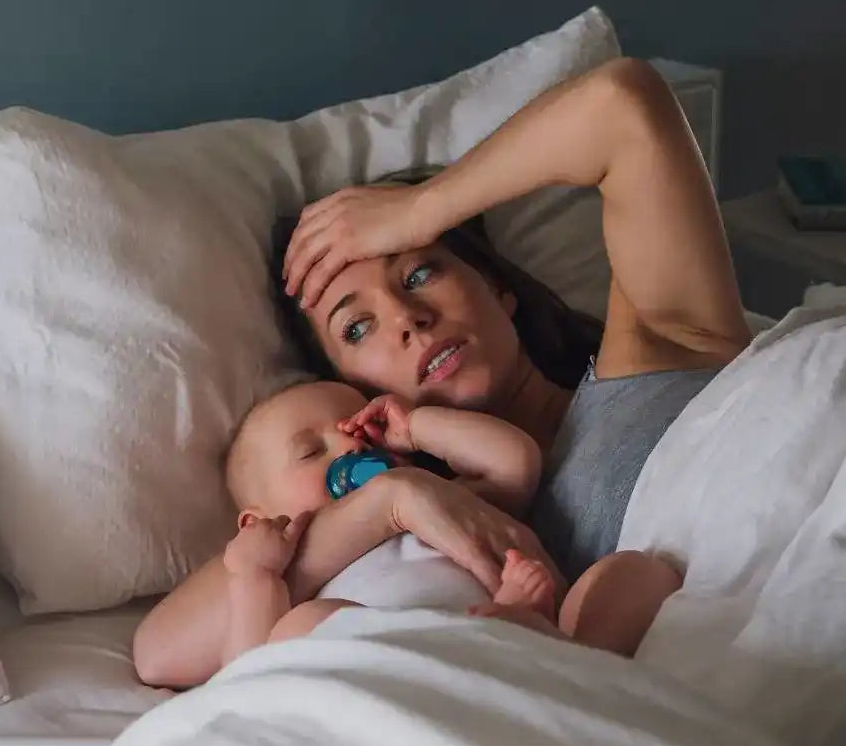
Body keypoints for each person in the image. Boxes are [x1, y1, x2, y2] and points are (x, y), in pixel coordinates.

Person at [135, 57, 749, 689]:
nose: (406, 316)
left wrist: (421, 208)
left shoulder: (661, 342)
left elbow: (626, 104)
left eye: (421, 271)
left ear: (499, 288)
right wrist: (394, 501)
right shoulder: (458, 533)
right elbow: (161, 648)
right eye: (357, 327)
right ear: (355, 397)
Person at [217, 379, 681, 669]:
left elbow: (514, 461)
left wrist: (416, 427)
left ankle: (563, 653)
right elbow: (246, 676)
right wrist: (252, 573)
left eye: (357, 431)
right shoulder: (294, 574)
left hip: (536, 650)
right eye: (310, 452)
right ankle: (495, 640)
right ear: (254, 520)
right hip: (405, 674)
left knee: (635, 572)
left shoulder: (449, 502)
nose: (347, 450)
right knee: (298, 631)